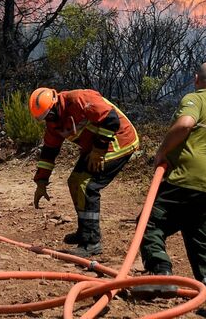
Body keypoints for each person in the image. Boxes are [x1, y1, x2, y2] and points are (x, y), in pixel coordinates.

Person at [138, 62, 206, 319]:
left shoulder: (195, 99)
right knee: (202, 245)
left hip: (185, 180)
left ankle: (161, 273)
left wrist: (162, 151)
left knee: (149, 222)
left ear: (196, 80)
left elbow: (185, 124)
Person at [28, 87, 139, 257]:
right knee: (74, 182)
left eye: (50, 115)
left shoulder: (80, 99)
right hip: (95, 147)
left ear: (56, 104)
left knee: (86, 184)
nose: (49, 120)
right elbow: (49, 151)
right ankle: (84, 231)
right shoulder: (53, 123)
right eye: (45, 118)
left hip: (118, 141)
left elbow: (111, 120)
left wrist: (99, 150)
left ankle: (91, 242)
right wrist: (41, 182)